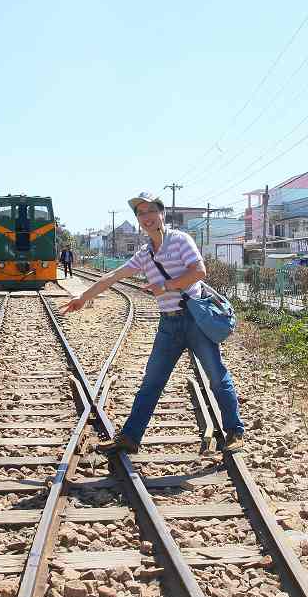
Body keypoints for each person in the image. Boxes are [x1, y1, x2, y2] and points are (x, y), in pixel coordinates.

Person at [60, 191, 246, 453]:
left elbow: (199, 272)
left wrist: (165, 286)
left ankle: (235, 432)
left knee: (216, 376)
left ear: (161, 214)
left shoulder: (181, 240)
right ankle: (131, 438)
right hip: (169, 324)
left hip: (194, 320)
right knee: (152, 381)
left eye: (150, 211)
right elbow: (114, 275)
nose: (146, 217)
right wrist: (83, 296)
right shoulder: (144, 254)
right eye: (140, 213)